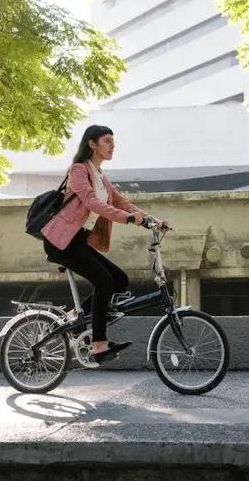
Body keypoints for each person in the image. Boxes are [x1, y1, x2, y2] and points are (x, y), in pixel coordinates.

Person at [41, 125, 168, 364]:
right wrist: (126, 219)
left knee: (119, 280)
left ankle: (76, 317)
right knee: (103, 280)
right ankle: (98, 344)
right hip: (61, 241)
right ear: (92, 144)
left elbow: (121, 201)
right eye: (107, 140)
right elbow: (90, 202)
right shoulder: (78, 170)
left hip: (77, 241)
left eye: (113, 141)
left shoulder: (100, 176)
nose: (112, 145)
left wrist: (152, 221)